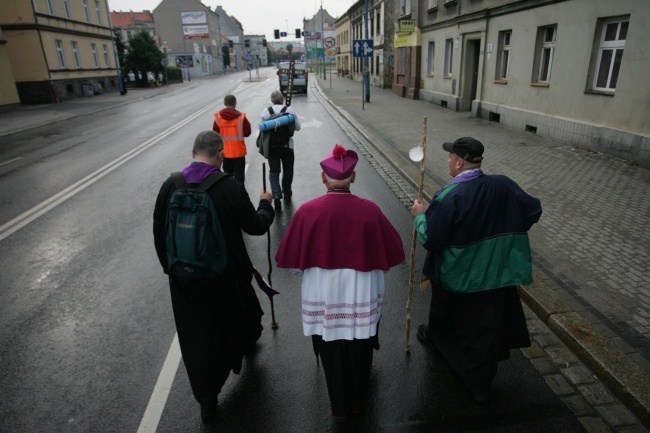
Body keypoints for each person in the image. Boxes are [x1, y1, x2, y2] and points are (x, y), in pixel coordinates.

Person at [275, 144, 405, 424]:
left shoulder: (308, 212)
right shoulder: (370, 211)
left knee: (331, 350)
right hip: (362, 293)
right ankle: (358, 402)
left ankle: (340, 407)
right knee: (360, 349)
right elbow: (391, 254)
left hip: (323, 296)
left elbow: (296, 265)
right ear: (353, 177)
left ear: (324, 178)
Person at [153, 131, 275, 423]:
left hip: (183, 280)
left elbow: (160, 234)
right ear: (221, 155)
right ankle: (246, 344)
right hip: (225, 276)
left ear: (192, 152)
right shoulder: (228, 186)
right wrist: (266, 203)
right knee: (235, 316)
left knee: (197, 337)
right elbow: (256, 226)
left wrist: (172, 270)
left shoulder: (170, 186)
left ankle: (207, 400)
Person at [410, 137, 542, 403]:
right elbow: (532, 210)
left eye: (450, 157)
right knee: (482, 325)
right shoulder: (503, 185)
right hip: (497, 275)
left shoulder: (449, 197)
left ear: (459, 163)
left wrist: (419, 216)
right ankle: (436, 338)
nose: (447, 160)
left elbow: (432, 240)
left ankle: (477, 384)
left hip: (461, 277)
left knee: (469, 328)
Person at [259, 90, 301, 206]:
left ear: (272, 101)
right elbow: (297, 127)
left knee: (274, 171)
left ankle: (276, 193)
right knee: (288, 169)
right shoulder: (289, 110)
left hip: (272, 148)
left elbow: (262, 129)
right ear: (282, 99)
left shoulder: (266, 112)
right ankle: (287, 191)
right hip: (288, 146)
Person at [212, 94, 251, 184]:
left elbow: (215, 135)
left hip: (224, 153)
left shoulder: (218, 118)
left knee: (227, 176)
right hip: (238, 152)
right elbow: (247, 132)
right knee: (239, 178)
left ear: (224, 103)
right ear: (235, 103)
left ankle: (228, 195)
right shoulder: (241, 117)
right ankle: (239, 196)